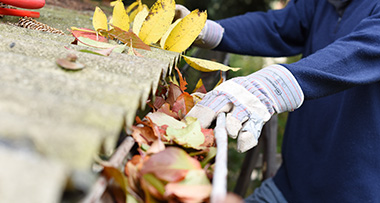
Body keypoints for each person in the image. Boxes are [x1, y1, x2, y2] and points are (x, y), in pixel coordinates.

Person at [178, 0, 380, 202]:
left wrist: (274, 86)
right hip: (287, 188)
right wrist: (208, 31)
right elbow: (280, 26)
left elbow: (365, 48)